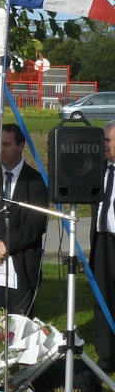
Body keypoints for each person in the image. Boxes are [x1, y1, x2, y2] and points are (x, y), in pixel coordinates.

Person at [0, 124, 48, 317]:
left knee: (19, 326)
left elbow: (34, 226)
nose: (1, 149)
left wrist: (5, 244)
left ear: (20, 146)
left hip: (22, 264)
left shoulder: (36, 181)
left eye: (6, 144)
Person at [90, 120, 115, 372]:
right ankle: (106, 355)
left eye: (107, 140)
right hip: (102, 241)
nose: (103, 145)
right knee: (103, 297)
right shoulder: (98, 169)